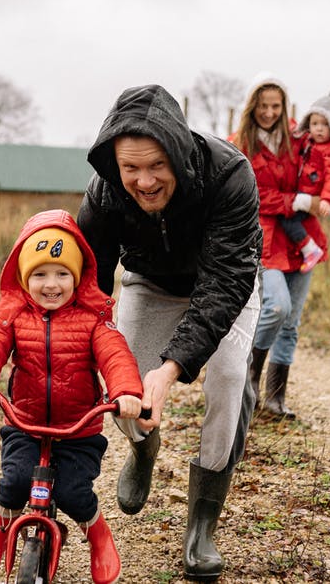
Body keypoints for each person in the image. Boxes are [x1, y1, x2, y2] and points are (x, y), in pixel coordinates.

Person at [77, 84, 262, 581]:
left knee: (226, 377)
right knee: (125, 380)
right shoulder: (106, 190)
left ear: (178, 152)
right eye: (130, 168)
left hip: (224, 285)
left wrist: (173, 366)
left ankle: (202, 525)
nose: (144, 181)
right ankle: (142, 450)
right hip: (150, 283)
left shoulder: (230, 176)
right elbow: (89, 281)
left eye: (156, 165)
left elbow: (226, 283)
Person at [0, 209, 144, 584]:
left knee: (75, 493)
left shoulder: (93, 320)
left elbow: (116, 355)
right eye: (39, 274)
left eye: (62, 273)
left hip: (79, 429)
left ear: (77, 277)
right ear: (25, 280)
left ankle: (98, 535)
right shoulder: (14, 317)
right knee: (13, 483)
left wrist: (125, 392)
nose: (51, 284)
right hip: (25, 424)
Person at [239, 79, 330, 419]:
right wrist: (299, 199)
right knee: (276, 307)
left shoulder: (298, 137)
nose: (269, 113)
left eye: (276, 106)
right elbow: (252, 196)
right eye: (263, 105)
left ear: (285, 108)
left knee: (292, 321)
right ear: (252, 106)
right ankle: (249, 377)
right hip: (267, 239)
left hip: (304, 239)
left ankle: (275, 397)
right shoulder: (240, 145)